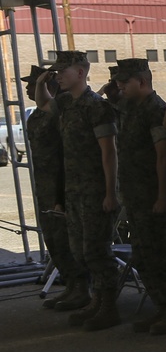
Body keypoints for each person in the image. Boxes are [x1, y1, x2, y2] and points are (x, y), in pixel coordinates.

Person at [35, 51, 121, 331]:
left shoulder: (96, 106)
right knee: (80, 250)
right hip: (74, 190)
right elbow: (44, 105)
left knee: (97, 250)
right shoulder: (65, 103)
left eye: (64, 70)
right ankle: (96, 300)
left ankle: (108, 306)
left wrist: (110, 192)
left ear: (81, 72)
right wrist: (40, 83)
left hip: (95, 189)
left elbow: (109, 152)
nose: (58, 75)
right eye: (56, 71)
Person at [113, 58, 166, 335]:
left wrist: (161, 197)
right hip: (134, 195)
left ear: (142, 82)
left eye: (125, 81)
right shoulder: (129, 109)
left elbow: (163, 157)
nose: (119, 85)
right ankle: (160, 307)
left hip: (152, 195)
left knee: (160, 254)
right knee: (142, 255)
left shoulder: (156, 110)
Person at [21, 66, 89, 311]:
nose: (29, 88)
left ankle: (81, 287)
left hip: (61, 184)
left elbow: (65, 154)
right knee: (53, 239)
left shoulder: (60, 112)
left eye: (32, 83)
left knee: (67, 239)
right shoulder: (37, 114)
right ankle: (70, 284)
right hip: (44, 185)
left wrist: (61, 194)